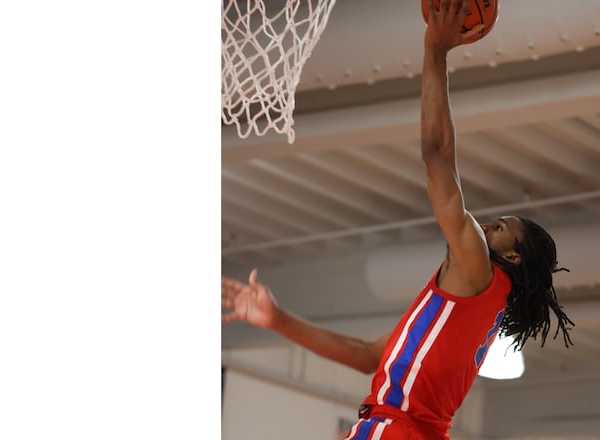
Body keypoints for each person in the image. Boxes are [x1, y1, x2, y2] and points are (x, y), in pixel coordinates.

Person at [221, 1, 574, 438]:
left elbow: (437, 157)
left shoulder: (479, 268)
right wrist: (277, 320)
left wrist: (436, 52)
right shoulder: (474, 303)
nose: (485, 227)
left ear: (515, 259)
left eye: (500, 229)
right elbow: (369, 354)